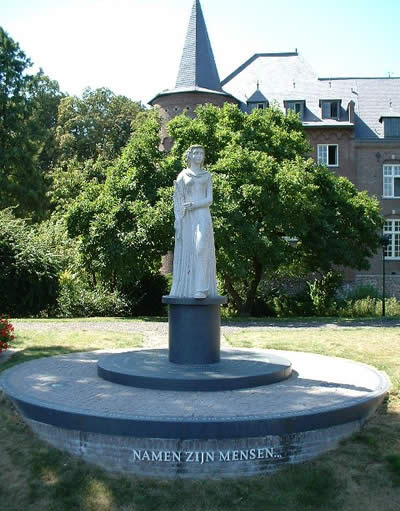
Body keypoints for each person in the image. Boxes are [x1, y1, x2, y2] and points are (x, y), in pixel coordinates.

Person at [169, 145, 217, 298]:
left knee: (201, 248)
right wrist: (178, 219)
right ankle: (186, 287)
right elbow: (177, 199)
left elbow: (209, 199)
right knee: (187, 250)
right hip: (187, 217)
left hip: (202, 214)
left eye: (201, 153)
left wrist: (194, 205)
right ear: (189, 156)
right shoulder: (183, 175)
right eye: (195, 152)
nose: (199, 155)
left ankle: (201, 288)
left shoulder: (206, 175)